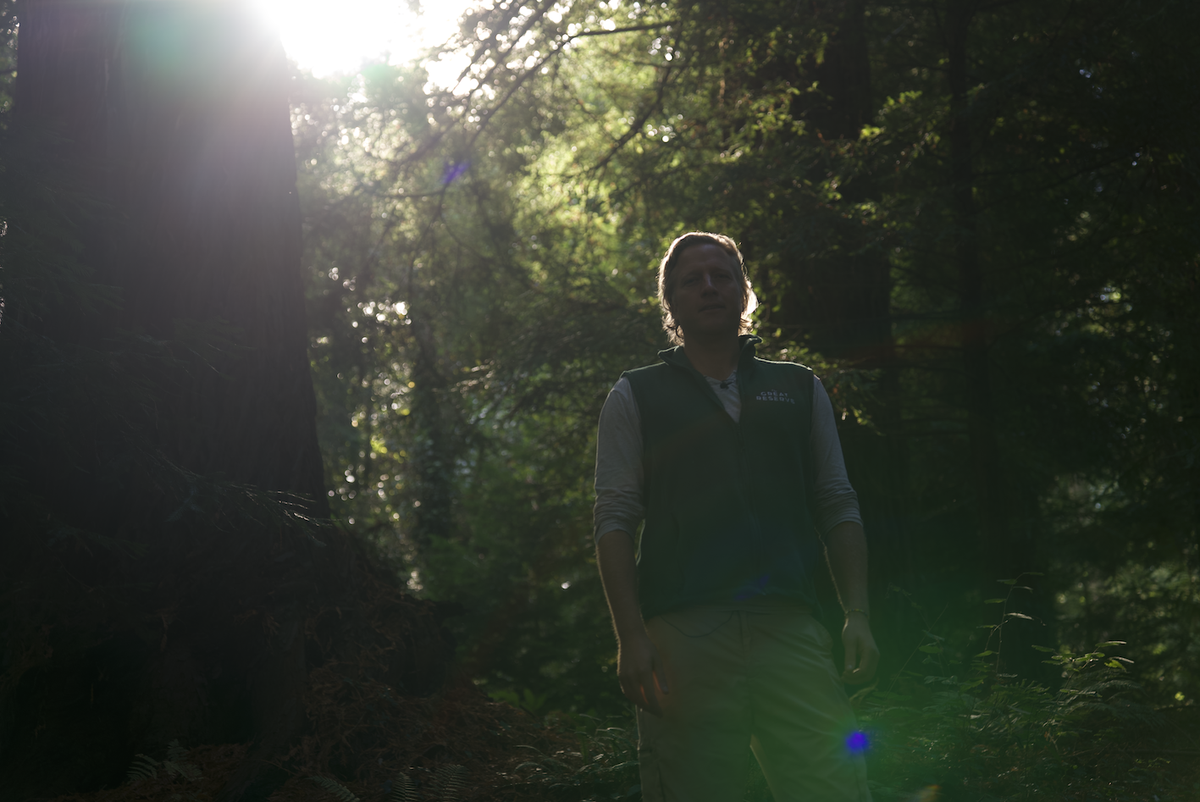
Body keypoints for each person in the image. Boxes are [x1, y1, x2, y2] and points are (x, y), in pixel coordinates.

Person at [593, 232, 879, 802]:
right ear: (669, 301)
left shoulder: (798, 387)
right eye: (691, 279)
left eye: (721, 276)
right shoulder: (635, 395)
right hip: (682, 636)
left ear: (744, 292)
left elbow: (836, 501)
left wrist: (857, 614)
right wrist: (630, 637)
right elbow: (615, 518)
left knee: (833, 788)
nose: (708, 287)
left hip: (791, 629)